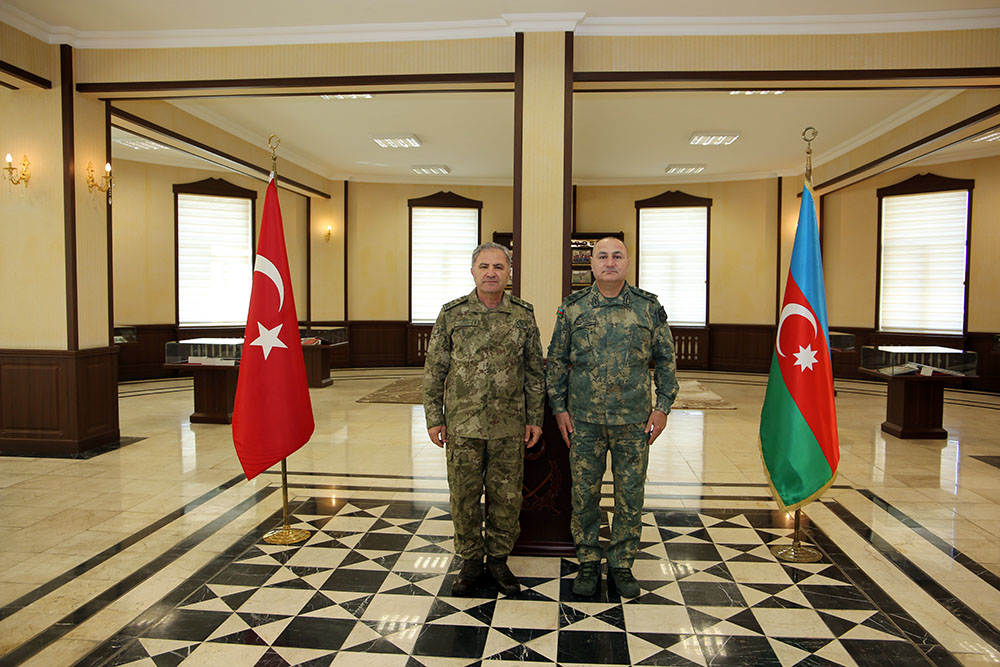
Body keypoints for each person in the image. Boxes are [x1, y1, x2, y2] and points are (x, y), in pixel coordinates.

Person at [546, 236, 679, 598]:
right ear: (590, 264)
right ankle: (588, 561)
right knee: (584, 495)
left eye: (617, 256)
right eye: (602, 256)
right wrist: (559, 409)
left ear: (627, 262)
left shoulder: (647, 308)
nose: (609, 262)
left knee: (630, 496)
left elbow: (666, 360)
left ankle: (621, 564)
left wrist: (662, 406)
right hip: (584, 422)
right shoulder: (573, 308)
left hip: (634, 422)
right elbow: (556, 361)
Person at [423, 241, 545, 597]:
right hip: (463, 425)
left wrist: (534, 417)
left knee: (506, 497)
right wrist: (434, 417)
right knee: (463, 495)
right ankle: (471, 560)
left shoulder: (523, 314)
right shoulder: (453, 314)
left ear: (509, 273)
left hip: (509, 426)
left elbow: (534, 371)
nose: (491, 273)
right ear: (473, 271)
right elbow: (435, 369)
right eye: (484, 266)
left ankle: (498, 559)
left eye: (499, 267)